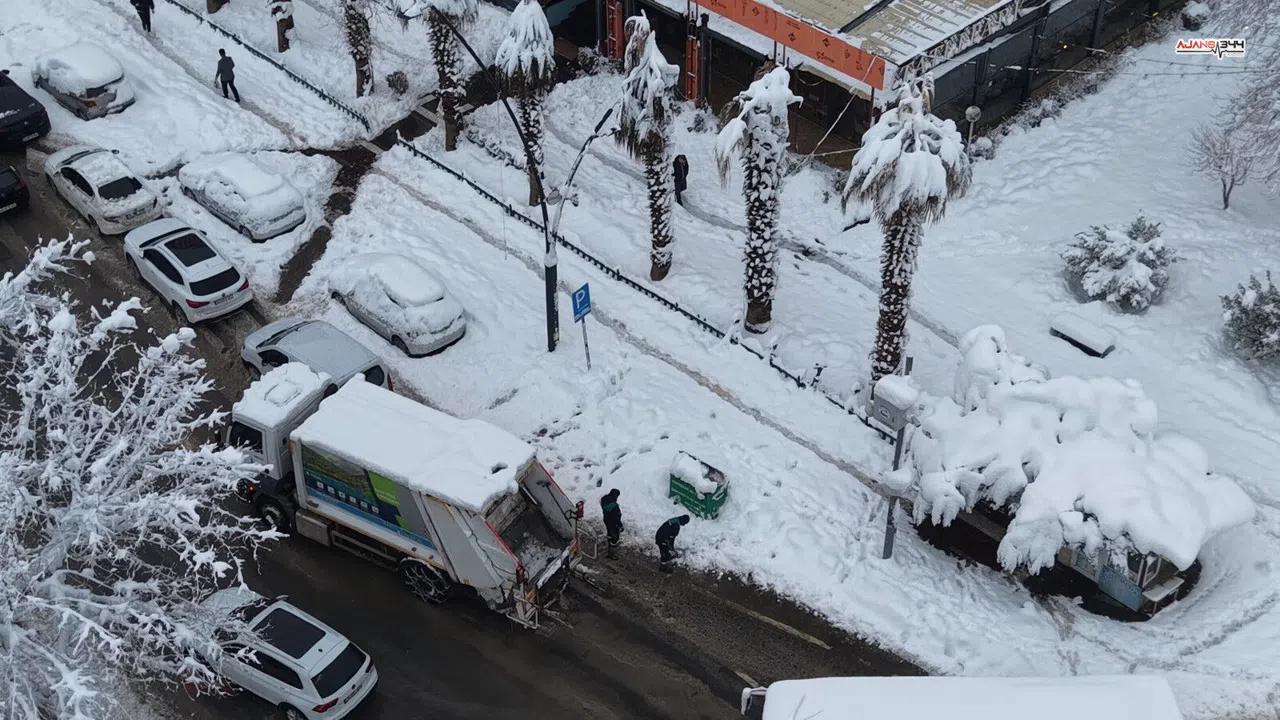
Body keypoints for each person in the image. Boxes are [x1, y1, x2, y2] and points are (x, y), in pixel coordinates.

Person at [600, 489, 623, 559]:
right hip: (613, 523)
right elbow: (616, 517)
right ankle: (611, 553)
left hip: (607, 520)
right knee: (615, 537)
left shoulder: (604, 499)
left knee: (610, 534)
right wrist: (619, 525)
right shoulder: (613, 506)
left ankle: (610, 547)